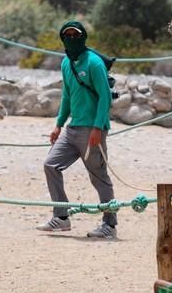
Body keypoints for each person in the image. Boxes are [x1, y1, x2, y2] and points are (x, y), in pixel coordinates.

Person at [36, 21, 117, 238]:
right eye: (68, 35)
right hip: (72, 130)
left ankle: (109, 224)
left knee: (98, 176)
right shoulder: (65, 63)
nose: (72, 39)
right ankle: (61, 217)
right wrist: (58, 124)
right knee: (51, 165)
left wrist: (98, 127)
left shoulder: (94, 63)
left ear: (84, 37)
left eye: (76, 35)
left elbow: (105, 97)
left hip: (92, 129)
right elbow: (67, 95)